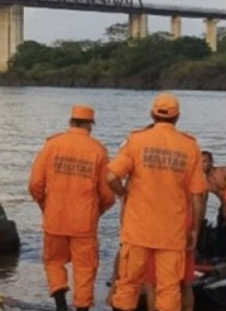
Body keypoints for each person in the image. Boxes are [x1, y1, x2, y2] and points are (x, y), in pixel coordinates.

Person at [107, 93, 206, 311]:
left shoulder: (136, 140)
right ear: (177, 117)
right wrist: (195, 230)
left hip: (137, 230)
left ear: (152, 114)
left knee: (128, 285)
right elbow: (197, 195)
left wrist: (124, 193)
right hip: (172, 233)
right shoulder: (190, 147)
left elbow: (111, 177)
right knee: (168, 289)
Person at [28, 105, 115, 311]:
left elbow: (35, 185)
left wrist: (46, 206)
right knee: (85, 268)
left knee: (53, 262)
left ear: (71, 122)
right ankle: (82, 308)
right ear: (89, 125)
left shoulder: (52, 145)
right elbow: (107, 194)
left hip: (54, 219)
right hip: (84, 223)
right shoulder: (98, 150)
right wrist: (98, 210)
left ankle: (60, 305)